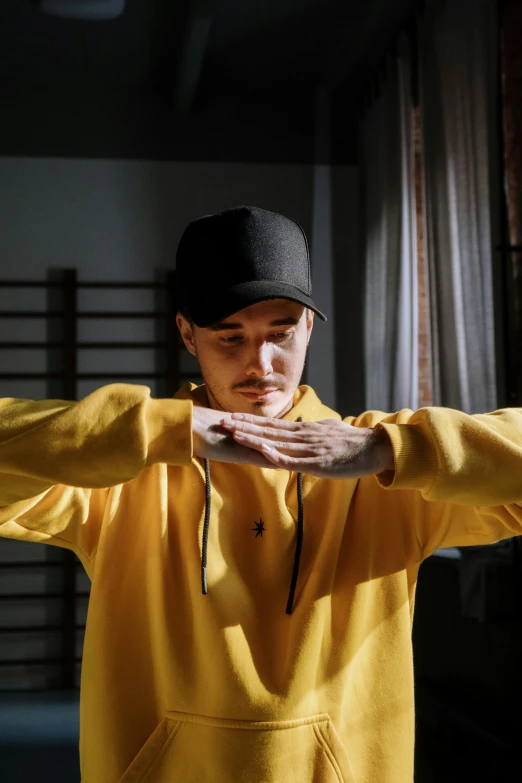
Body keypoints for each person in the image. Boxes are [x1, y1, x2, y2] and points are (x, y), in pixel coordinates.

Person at [0, 205, 520, 783]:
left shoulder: (386, 469)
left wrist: (390, 451)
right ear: (187, 334)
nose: (261, 363)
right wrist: (167, 430)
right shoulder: (126, 473)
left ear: (309, 330)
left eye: (280, 334)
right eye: (231, 337)